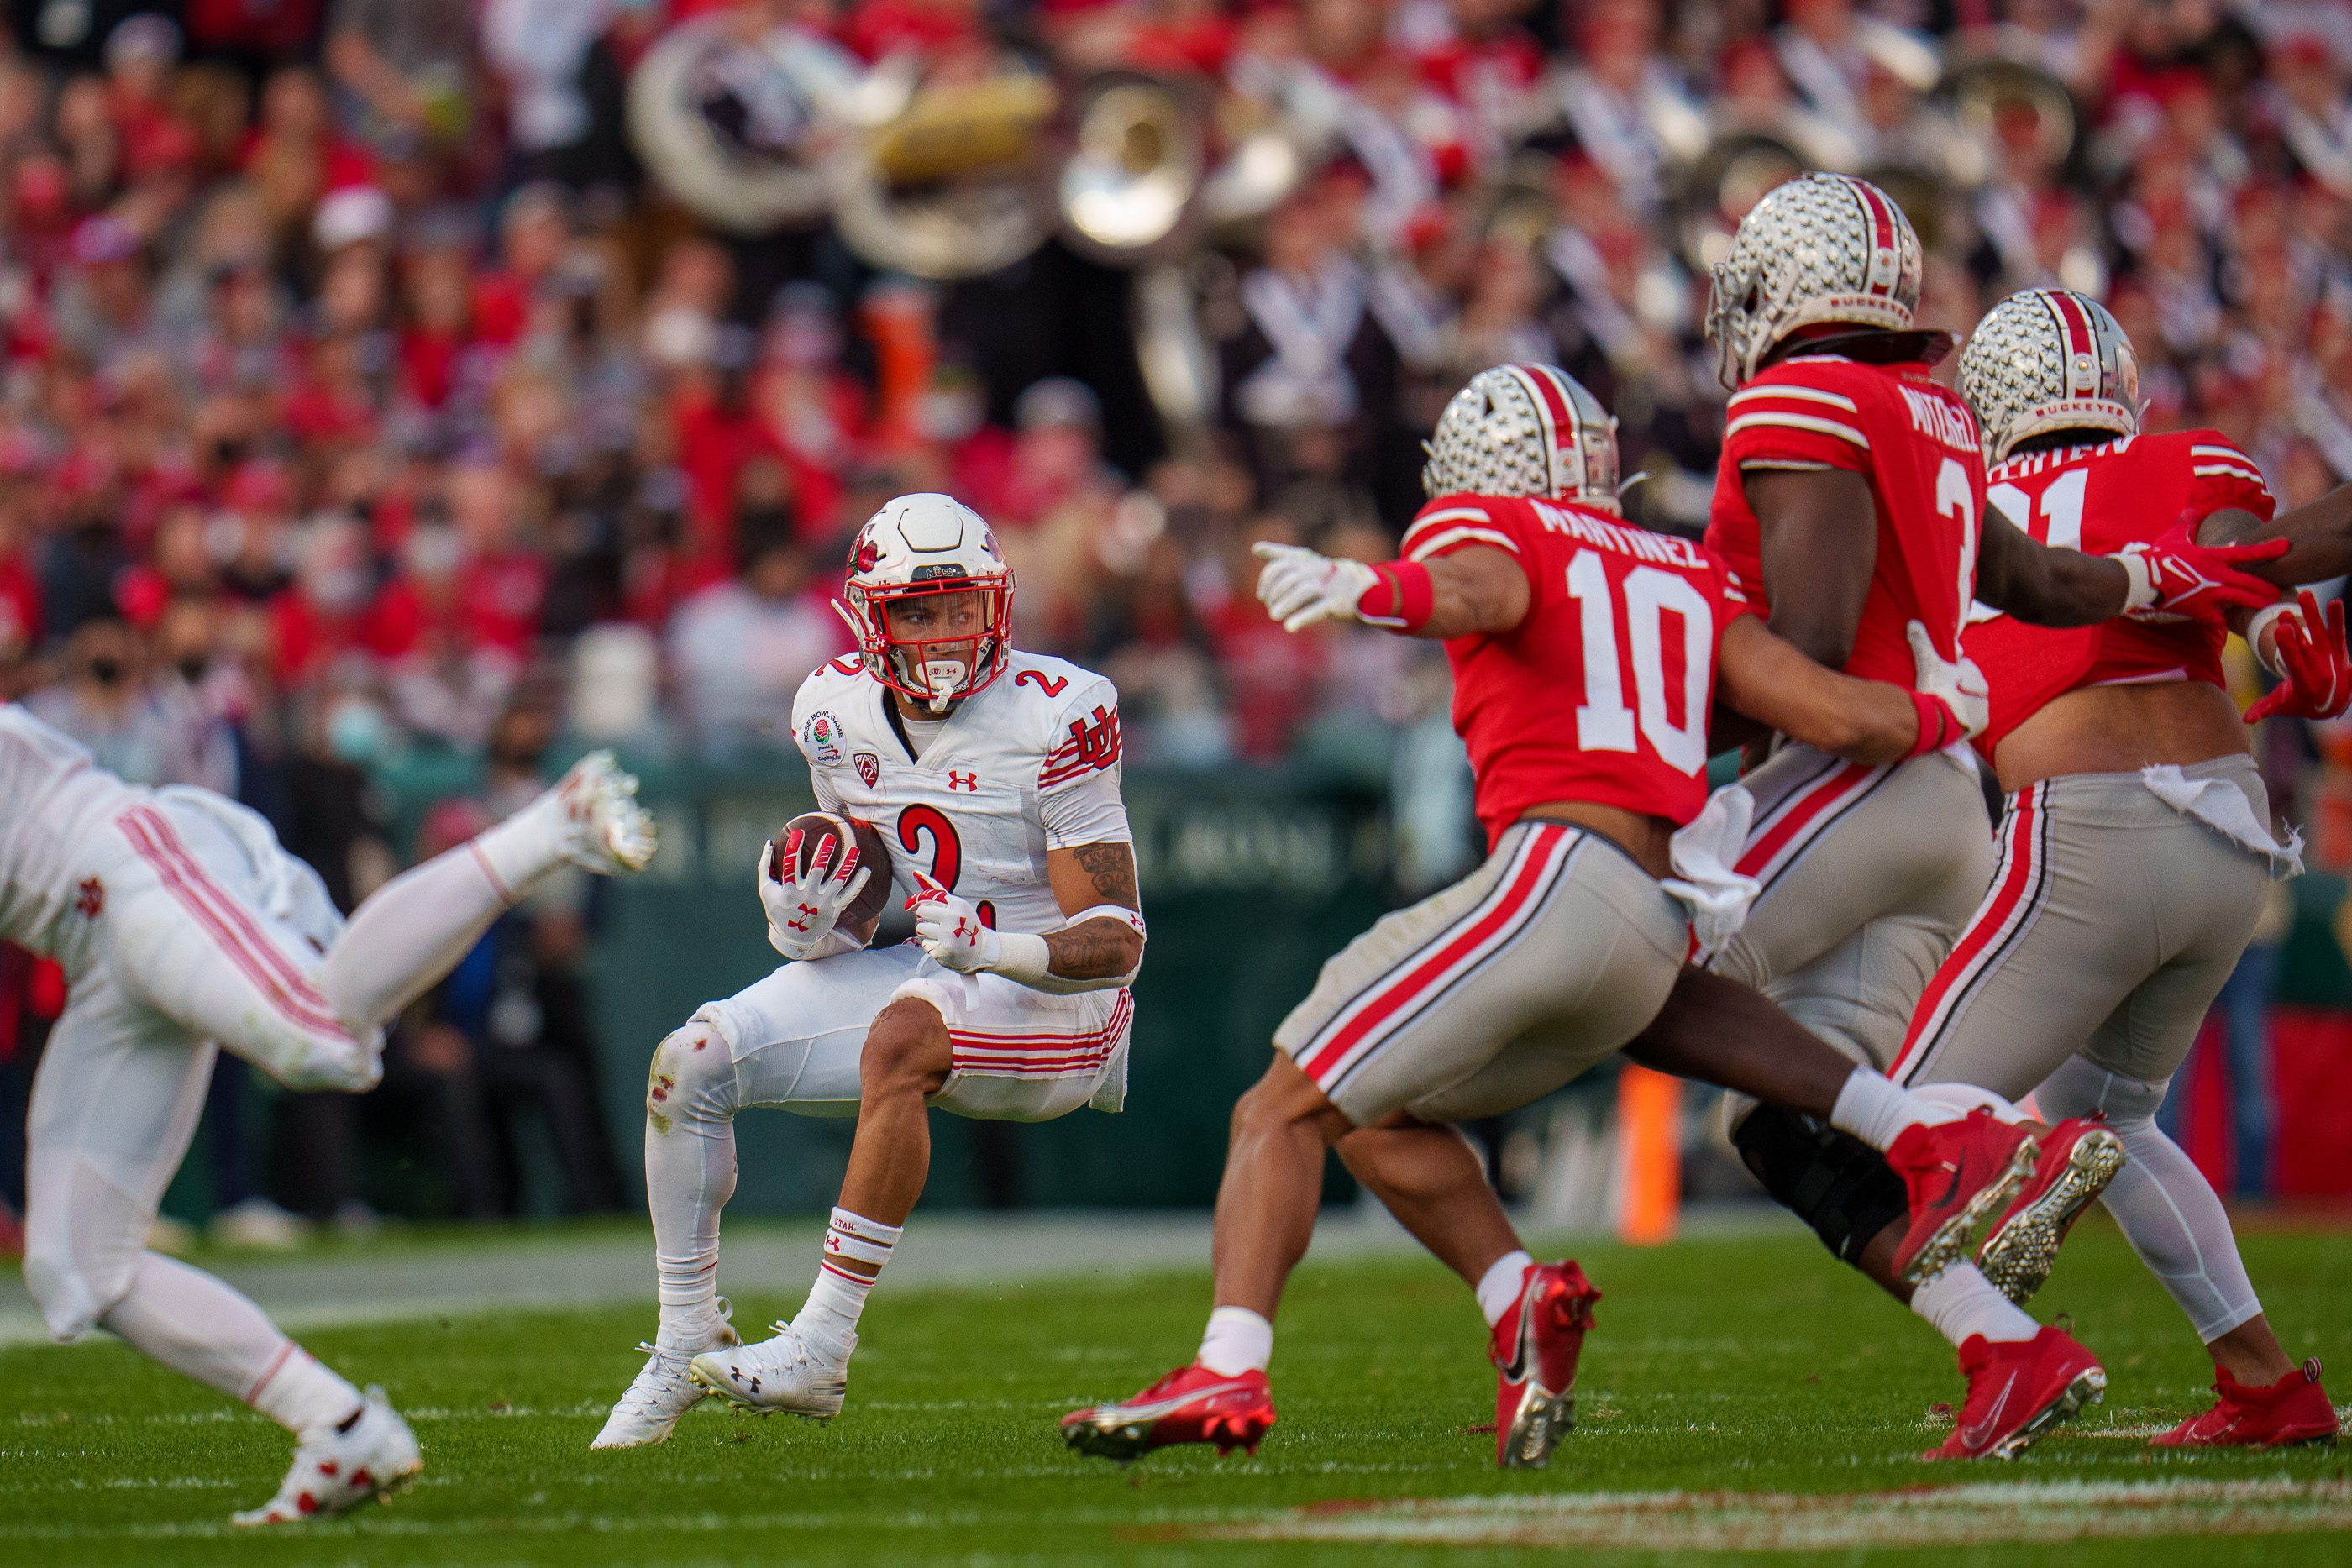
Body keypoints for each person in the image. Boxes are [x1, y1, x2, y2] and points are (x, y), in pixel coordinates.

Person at [1058, 364, 2096, 1470]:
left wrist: (1377, 588)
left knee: (1277, 1105)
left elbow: (1476, 591)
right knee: (1373, 1109)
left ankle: (1230, 1359)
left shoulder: (1496, 528)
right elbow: (1829, 708)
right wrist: (1946, 703)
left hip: (1555, 880)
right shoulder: (1689, 571)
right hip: (1654, 923)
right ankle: (1529, 1292)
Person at [1620, 173, 2286, 1460]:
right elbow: (2063, 577)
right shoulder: (1952, 415)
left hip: (1940, 791)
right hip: (2079, 821)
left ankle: (1982, 1142)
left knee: (1617, 971)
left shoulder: (1808, 396)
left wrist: (1638, 678)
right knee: (1785, 1115)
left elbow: (1814, 656)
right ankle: (2030, 1348)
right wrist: (2203, 586)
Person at [1883, 288, 2342, 1449]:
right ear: (2120, 388)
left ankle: (2015, 1315)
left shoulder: (1966, 499)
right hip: (2232, 832)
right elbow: (2244, 566)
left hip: (2086, 823)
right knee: (2116, 1108)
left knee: (1892, 1115)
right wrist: (2282, 627)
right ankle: (2264, 1382)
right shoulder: (2194, 461)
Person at [7, 704, 657, 1523]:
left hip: (129, 865)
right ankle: (340, 1426)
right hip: (90, 938)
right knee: (74, 1264)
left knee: (316, 1036)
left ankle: (550, 825)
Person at [591, 493, 1147, 1449]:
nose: (941, 633)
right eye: (916, 611)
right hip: (935, 965)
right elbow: (876, 890)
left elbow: (1117, 937)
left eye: (960, 607)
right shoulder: (830, 708)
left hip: (1062, 998)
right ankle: (681, 1334)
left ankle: (820, 1344)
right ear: (868, 615)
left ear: (997, 607)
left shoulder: (1060, 710)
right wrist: (812, 920)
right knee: (689, 1061)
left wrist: (996, 947)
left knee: (905, 1033)